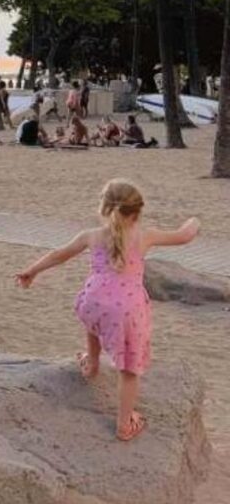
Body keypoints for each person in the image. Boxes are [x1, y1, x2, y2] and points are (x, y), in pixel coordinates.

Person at [16, 181, 200, 442]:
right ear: (136, 213)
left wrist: (31, 271)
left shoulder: (90, 235)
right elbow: (184, 236)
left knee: (94, 322)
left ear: (104, 208)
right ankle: (125, 425)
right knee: (129, 369)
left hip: (92, 300)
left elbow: (59, 255)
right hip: (125, 309)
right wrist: (194, 221)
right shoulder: (144, 235)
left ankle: (92, 364)